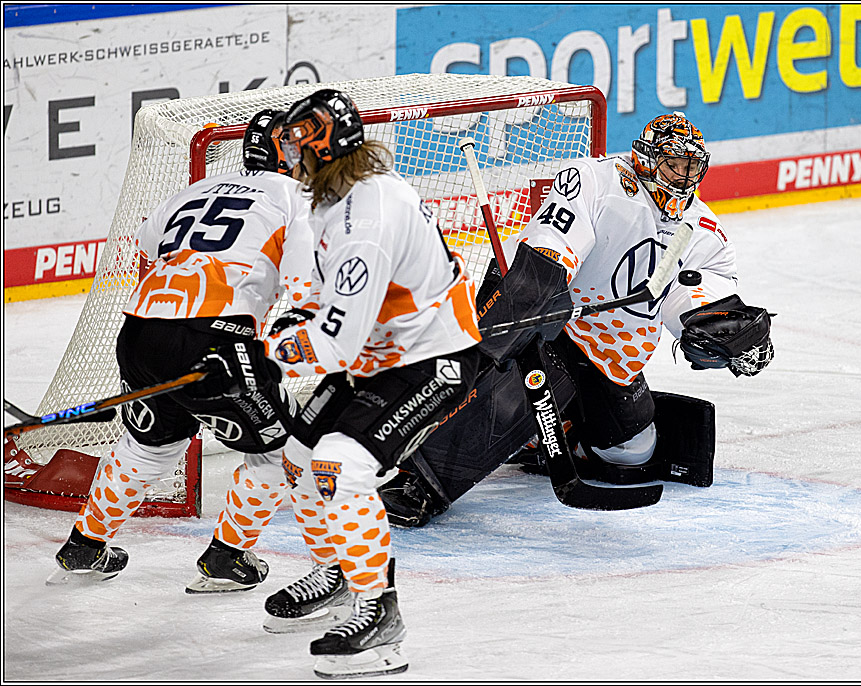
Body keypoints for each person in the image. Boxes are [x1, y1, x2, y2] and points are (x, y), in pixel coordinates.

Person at [196, 89, 483, 679]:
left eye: (297, 147)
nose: (290, 160)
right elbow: (321, 309)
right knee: (296, 454)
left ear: (320, 150)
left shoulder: (365, 221)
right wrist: (265, 337)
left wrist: (261, 354)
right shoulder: (334, 201)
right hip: (379, 355)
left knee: (339, 467)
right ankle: (337, 573)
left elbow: (333, 345)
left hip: (433, 359)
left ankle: (380, 616)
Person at [379, 111, 775, 526]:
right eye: (673, 163)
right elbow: (548, 253)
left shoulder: (704, 231)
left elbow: (694, 297)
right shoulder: (596, 181)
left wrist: (720, 333)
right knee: (520, 386)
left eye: (691, 167)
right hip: (548, 317)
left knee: (631, 452)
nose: (682, 176)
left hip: (610, 353)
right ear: (645, 158)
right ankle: (418, 481)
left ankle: (550, 433)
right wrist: (541, 297)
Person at [49, 109, 316, 595]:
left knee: (149, 447)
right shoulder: (300, 199)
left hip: (140, 332)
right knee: (284, 451)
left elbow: (149, 243)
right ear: (290, 154)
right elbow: (303, 286)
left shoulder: (196, 190)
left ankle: (85, 547)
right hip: (214, 339)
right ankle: (228, 556)